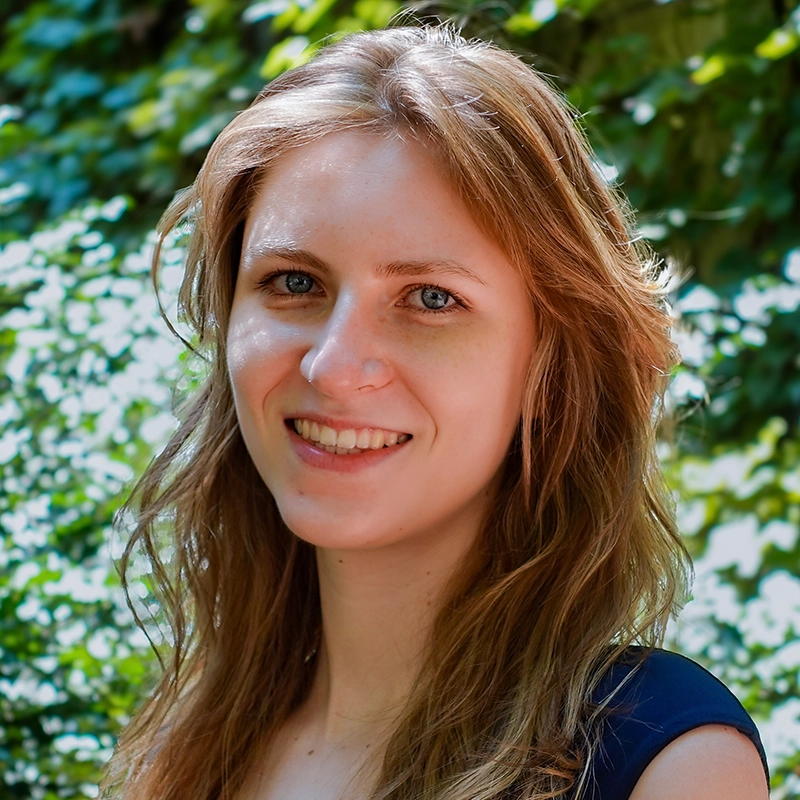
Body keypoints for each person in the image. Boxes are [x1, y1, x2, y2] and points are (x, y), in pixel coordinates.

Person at [102, 24, 770, 800]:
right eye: (293, 283)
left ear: (552, 367)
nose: (333, 365)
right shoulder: (188, 758)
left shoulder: (664, 763)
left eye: (429, 298)